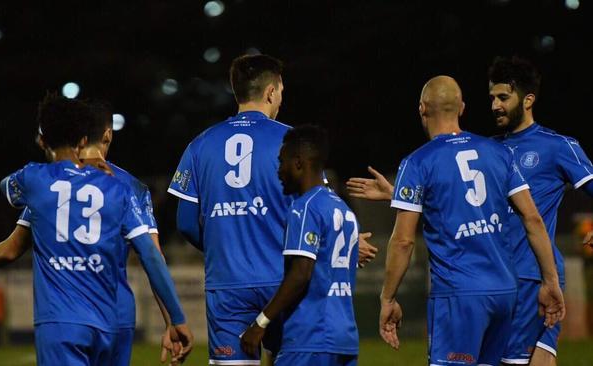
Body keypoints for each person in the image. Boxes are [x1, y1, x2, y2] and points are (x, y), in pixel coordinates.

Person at [168, 54, 375, 366]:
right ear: (270, 92)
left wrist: (225, 246)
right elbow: (321, 208)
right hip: (283, 281)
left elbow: (185, 221)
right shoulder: (293, 145)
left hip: (228, 282)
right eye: (281, 91)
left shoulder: (200, 144)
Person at [0, 94, 191, 366]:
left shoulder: (39, 184)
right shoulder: (125, 188)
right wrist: (174, 319)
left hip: (61, 319)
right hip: (113, 317)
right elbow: (153, 256)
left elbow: (11, 236)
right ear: (105, 135)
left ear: (43, 140)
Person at [350, 76, 564, 365]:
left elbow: (403, 241)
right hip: (505, 292)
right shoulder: (499, 153)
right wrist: (551, 282)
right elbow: (533, 219)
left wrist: (387, 297)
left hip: (458, 296)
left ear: (422, 109)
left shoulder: (417, 162)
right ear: (462, 107)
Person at [489, 56, 593, 365]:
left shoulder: (558, 146)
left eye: (503, 97)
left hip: (534, 277)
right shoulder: (488, 150)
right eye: (492, 98)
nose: (495, 105)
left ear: (528, 99)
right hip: (496, 278)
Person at [240, 125, 359, 366]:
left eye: (282, 162)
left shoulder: (305, 208)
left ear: (298, 163)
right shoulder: (344, 210)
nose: (279, 171)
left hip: (310, 337)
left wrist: (260, 322)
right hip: (344, 337)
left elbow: (301, 273)